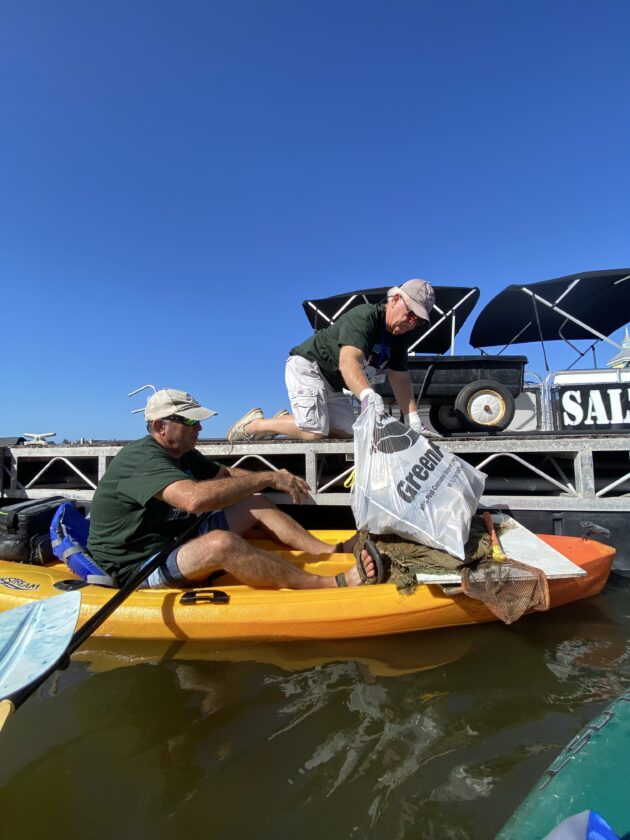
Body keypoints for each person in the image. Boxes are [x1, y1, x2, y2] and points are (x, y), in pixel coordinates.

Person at [87, 388, 380, 590]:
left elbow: (225, 474)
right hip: (139, 565)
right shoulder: (141, 459)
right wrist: (265, 478)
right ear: (160, 426)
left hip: (175, 537)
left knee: (255, 502)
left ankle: (331, 551)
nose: (199, 428)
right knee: (221, 544)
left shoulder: (184, 454)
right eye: (190, 420)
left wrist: (274, 478)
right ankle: (330, 583)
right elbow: (194, 500)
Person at [227, 279, 436, 442]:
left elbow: (399, 378)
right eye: (411, 314)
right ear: (395, 299)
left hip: (333, 383)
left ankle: (285, 421)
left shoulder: (400, 336)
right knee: (314, 432)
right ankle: (253, 425)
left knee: (354, 433)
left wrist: (413, 419)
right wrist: (367, 395)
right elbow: (348, 362)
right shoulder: (366, 316)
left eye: (418, 321)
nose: (412, 323)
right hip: (309, 366)